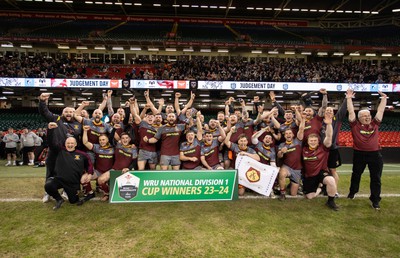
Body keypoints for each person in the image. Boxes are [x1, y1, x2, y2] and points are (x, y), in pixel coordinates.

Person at [347, 89, 387, 210]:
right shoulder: (355, 125)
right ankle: (352, 192)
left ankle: (375, 200)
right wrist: (349, 98)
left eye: (369, 115)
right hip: (359, 154)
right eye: (365, 116)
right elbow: (350, 111)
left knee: (376, 178)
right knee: (356, 175)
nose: (368, 117)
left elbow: (380, 110)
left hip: (375, 154)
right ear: (359, 118)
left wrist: (384, 99)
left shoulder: (375, 124)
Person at [38, 93, 83, 202]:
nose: (69, 113)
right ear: (63, 113)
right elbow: (45, 112)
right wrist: (42, 102)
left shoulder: (78, 124)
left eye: (71, 112)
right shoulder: (56, 118)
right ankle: (48, 192)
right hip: (55, 151)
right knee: (51, 172)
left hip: (68, 154)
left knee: (67, 173)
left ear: (74, 113)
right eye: (66, 111)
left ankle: (66, 191)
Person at [44, 122, 94, 210]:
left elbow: (89, 165)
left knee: (73, 201)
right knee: (48, 185)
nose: (70, 145)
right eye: (68, 143)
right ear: (65, 143)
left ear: (75, 144)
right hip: (59, 179)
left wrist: (89, 174)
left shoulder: (82, 154)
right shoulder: (59, 150)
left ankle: (71, 193)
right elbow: (50, 142)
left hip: (73, 183)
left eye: (72, 143)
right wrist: (50, 130)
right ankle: (59, 199)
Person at [302, 113, 338, 211]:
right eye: (311, 140)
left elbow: (329, 138)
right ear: (308, 141)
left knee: (331, 180)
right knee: (310, 196)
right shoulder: (303, 149)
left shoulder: (323, 148)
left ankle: (331, 201)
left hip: (321, 172)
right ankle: (321, 188)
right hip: (309, 176)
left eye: (315, 140)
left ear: (318, 142)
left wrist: (329, 124)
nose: (313, 142)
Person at [225, 129, 260, 196]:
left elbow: (258, 158)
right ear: (238, 142)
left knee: (240, 193)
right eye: (241, 141)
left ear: (247, 142)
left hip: (244, 172)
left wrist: (246, 154)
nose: (243, 142)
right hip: (233, 169)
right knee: (228, 188)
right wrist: (230, 132)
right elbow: (226, 142)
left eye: (244, 141)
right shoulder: (235, 147)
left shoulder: (250, 150)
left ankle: (245, 186)